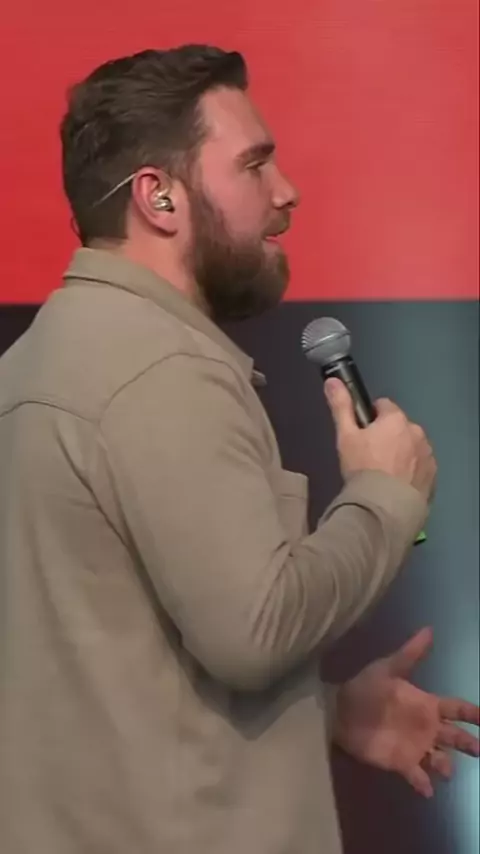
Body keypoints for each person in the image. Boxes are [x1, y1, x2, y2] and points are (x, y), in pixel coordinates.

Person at [0, 45, 478, 854]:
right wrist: (385, 497)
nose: (286, 191)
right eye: (254, 165)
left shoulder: (40, 359)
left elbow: (103, 682)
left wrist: (324, 714)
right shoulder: (159, 370)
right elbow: (257, 631)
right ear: (158, 196)